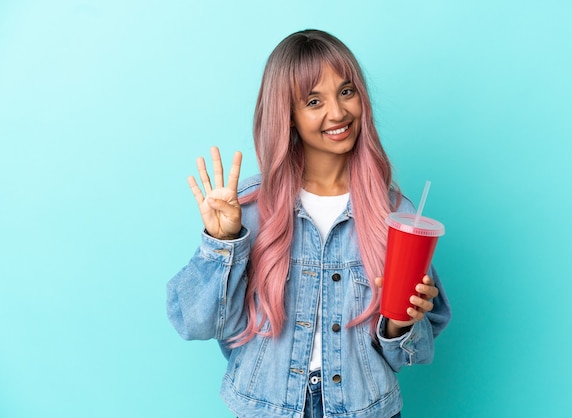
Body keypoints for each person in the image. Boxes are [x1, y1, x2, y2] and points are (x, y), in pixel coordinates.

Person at [167, 29, 451, 418]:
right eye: (314, 100)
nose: (337, 113)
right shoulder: (248, 207)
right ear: (288, 115)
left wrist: (402, 325)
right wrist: (222, 242)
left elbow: (415, 353)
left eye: (347, 92)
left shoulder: (396, 216)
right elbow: (194, 323)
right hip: (265, 408)